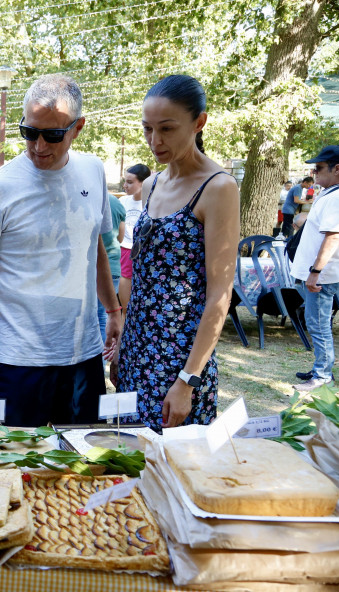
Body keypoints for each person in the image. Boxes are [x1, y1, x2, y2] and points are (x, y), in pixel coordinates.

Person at [0, 74, 121, 427]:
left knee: (80, 460)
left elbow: (96, 248)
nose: (39, 146)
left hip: (83, 354)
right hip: (19, 360)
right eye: (29, 132)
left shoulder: (93, 170)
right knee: (20, 463)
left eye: (53, 135)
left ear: (77, 129)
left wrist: (113, 309)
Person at [113, 74, 239, 433]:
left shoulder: (218, 188)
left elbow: (219, 294)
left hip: (179, 357)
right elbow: (139, 273)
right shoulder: (150, 185)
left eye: (166, 129)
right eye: (147, 129)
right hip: (137, 347)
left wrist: (189, 379)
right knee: (127, 457)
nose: (155, 141)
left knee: (171, 469)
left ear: (199, 122)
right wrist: (123, 341)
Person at [289, 145, 339, 392]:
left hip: (324, 275)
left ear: (337, 169)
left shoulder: (336, 197)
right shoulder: (331, 193)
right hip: (325, 273)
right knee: (319, 323)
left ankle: (322, 375)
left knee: (318, 324)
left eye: (319, 168)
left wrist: (315, 271)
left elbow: (333, 237)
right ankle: (322, 367)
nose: (314, 172)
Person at [118, 164, 151, 314]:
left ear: (143, 183)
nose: (125, 186)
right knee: (124, 306)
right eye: (125, 181)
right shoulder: (123, 201)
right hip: (124, 251)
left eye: (130, 182)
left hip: (141, 254)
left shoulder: (150, 204)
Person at [99, 192, 126, 346]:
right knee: (105, 317)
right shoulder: (116, 202)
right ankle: (101, 363)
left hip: (94, 268)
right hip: (114, 265)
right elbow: (120, 237)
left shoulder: (90, 196)